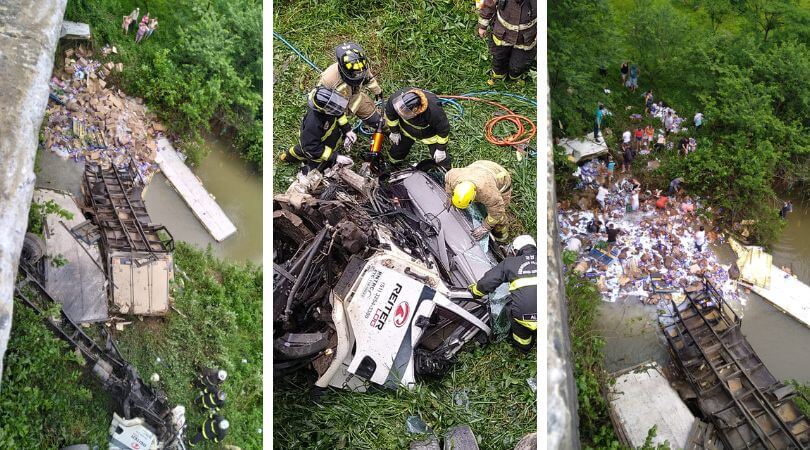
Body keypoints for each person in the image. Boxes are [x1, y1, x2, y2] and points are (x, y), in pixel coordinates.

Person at [469, 235, 537, 351]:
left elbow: (488, 282)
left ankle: (524, 348)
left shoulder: (509, 263)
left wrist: (475, 291)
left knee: (519, 327)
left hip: (523, 316)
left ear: (515, 251)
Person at [278, 87, 357, 173]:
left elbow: (339, 113)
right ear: (322, 110)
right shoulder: (313, 124)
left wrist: (347, 130)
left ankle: (289, 156)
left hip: (327, 139)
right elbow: (311, 147)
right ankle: (292, 160)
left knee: (300, 150)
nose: (337, 108)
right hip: (315, 150)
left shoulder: (331, 106)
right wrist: (335, 157)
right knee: (314, 165)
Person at [318, 42, 384, 130]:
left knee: (377, 120)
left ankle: (386, 129)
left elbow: (369, 78)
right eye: (355, 74)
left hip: (356, 99)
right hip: (336, 108)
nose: (359, 74)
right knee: (334, 130)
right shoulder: (328, 80)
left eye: (360, 72)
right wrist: (345, 128)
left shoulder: (360, 65)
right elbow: (321, 99)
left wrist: (377, 91)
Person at [445, 160, 512, 241]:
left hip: (500, 176)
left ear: (474, 195)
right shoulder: (453, 177)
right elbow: (448, 181)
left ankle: (502, 236)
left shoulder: (489, 193)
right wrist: (449, 196)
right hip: (480, 166)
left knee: (499, 217)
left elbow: (497, 212)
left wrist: (485, 227)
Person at [385, 87, 450, 167]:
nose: (401, 113)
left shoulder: (434, 110)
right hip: (406, 131)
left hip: (430, 136)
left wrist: (441, 149)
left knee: (441, 159)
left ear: (417, 109)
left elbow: (443, 129)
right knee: (397, 151)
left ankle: (447, 175)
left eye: (405, 112)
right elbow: (390, 115)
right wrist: (394, 131)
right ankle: (393, 165)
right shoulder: (395, 100)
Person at [477, 0, 537, 84]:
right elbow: (489, 4)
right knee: (499, 58)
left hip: (526, 39)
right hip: (502, 35)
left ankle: (515, 77)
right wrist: (482, 26)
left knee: (518, 65)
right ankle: (498, 77)